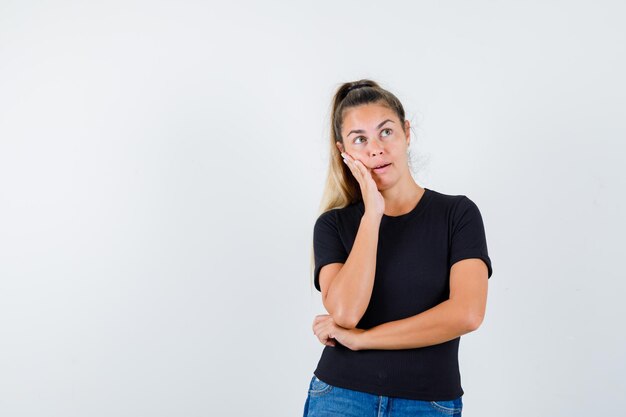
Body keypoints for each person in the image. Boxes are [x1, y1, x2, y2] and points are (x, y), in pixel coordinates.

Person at [303, 79, 493, 417]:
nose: (375, 148)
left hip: (428, 403)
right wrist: (372, 213)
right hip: (340, 396)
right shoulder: (333, 225)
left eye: (385, 132)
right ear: (343, 152)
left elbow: (467, 313)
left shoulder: (457, 214)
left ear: (406, 132)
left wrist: (363, 339)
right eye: (360, 139)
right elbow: (346, 313)